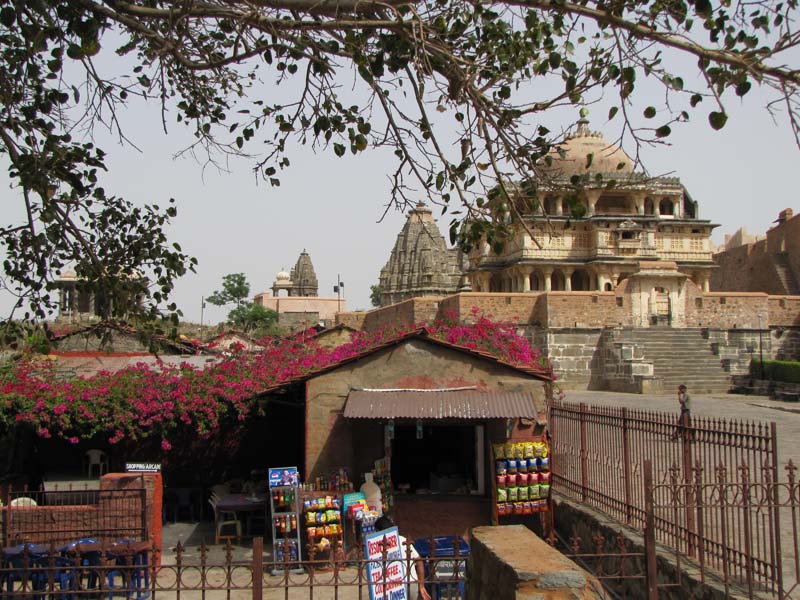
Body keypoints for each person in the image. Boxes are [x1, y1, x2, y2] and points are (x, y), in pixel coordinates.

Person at [373, 516, 432, 600]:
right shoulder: (402, 539)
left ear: (378, 531)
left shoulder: (376, 546)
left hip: (391, 588)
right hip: (411, 584)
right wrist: (421, 586)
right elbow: (419, 561)